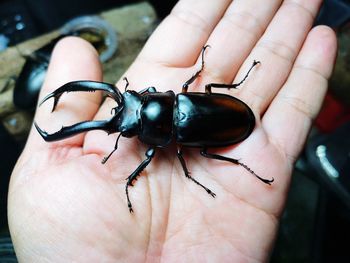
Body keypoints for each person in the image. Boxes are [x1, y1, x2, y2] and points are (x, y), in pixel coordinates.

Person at [8, 0, 337, 261]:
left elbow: (159, 154)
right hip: (218, 112)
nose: (126, 105)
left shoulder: (170, 141)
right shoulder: (175, 107)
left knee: (205, 147)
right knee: (204, 127)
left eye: (131, 101)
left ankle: (242, 142)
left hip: (232, 117)